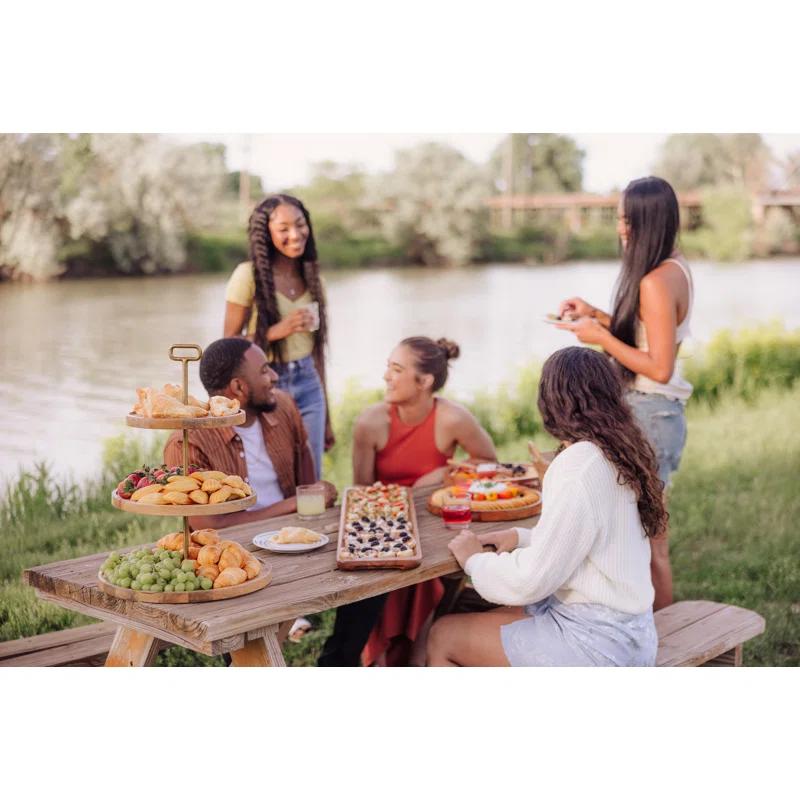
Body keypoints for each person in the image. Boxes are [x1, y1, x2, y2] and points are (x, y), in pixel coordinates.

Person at [427, 346, 663, 667]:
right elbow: (584, 541)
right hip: (633, 634)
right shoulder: (619, 452)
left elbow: (532, 580)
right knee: (500, 615)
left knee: (443, 634)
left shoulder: (577, 466)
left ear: (551, 402)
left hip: (598, 645)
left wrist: (474, 561)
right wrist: (519, 537)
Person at [554, 175, 693, 610]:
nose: (620, 229)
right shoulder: (674, 266)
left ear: (645, 221)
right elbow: (651, 335)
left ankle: (663, 643)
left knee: (650, 546)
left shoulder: (654, 280)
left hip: (652, 413)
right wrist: (595, 314)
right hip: (656, 413)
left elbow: (659, 366)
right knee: (642, 541)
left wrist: (600, 338)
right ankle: (648, 637)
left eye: (625, 219)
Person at [317, 336, 497, 667]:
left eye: (396, 369)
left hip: (433, 527)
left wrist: (441, 474)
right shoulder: (371, 423)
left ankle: (418, 656)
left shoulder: (452, 418)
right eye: (388, 367)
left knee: (428, 566)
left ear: (425, 381)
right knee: (373, 582)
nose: (386, 376)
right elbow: (362, 492)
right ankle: (368, 658)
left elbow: (488, 463)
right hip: (384, 530)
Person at [163, 337, 336, 531]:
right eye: (264, 370)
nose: (274, 376)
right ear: (239, 387)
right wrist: (295, 504)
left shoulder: (283, 405)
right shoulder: (186, 443)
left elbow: (306, 468)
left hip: (291, 533)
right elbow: (208, 525)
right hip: (231, 550)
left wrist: (314, 496)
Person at [223, 194, 333, 480]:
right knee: (277, 476)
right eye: (284, 228)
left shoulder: (313, 279)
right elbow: (228, 348)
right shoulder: (247, 276)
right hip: (267, 384)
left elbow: (318, 352)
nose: (295, 235)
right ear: (266, 233)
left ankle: (309, 527)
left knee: (311, 478)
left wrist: (327, 417)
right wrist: (275, 332)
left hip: (309, 383)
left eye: (300, 225)